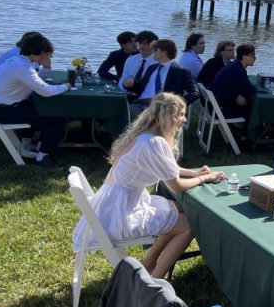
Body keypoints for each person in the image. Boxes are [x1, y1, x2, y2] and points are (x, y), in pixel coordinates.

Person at [71, 93, 225, 278]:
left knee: (177, 209)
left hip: (112, 204)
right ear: (167, 117)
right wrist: (203, 179)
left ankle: (148, 263)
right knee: (187, 226)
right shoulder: (154, 142)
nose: (184, 120)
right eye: (180, 115)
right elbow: (176, 186)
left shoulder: (143, 136)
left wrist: (195, 173)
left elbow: (170, 169)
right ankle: (154, 281)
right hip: (120, 212)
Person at [0, 32, 70, 169]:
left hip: (4, 105)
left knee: (41, 108)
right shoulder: (23, 67)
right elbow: (45, 91)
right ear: (39, 53)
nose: (48, 56)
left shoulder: (20, 61)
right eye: (47, 53)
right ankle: (42, 157)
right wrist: (66, 86)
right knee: (56, 119)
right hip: (2, 111)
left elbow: (36, 81)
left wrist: (47, 67)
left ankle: (32, 145)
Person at [128, 39, 199, 118]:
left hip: (162, 107)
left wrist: (176, 104)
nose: (152, 52)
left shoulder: (181, 72)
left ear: (164, 52)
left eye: (155, 50)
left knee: (130, 113)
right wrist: (131, 84)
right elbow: (139, 88)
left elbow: (195, 93)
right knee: (121, 109)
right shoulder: (151, 68)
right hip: (141, 102)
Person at [208, 43, 258, 123]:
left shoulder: (232, 66)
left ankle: (239, 131)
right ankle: (246, 133)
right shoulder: (239, 70)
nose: (255, 58)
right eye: (252, 55)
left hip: (213, 107)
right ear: (244, 57)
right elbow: (250, 90)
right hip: (220, 110)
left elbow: (235, 86)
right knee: (253, 109)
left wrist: (238, 94)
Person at [118, 30, 159, 98]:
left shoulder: (158, 62)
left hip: (148, 99)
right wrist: (124, 89)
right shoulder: (130, 60)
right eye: (140, 43)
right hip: (128, 95)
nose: (142, 46)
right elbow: (122, 80)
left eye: (146, 43)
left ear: (154, 45)